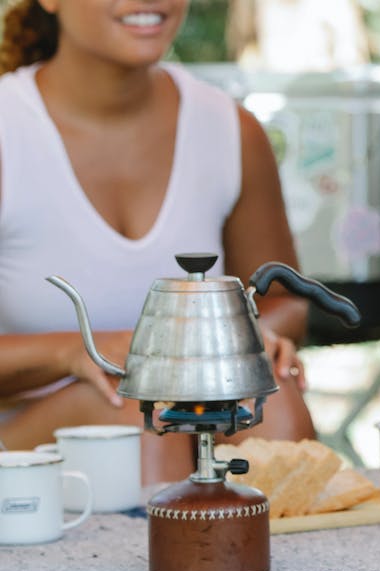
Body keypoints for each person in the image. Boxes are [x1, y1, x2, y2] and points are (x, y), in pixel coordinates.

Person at [0, 0, 316, 486]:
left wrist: (242, 342)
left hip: (183, 420)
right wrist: (77, 352)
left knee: (269, 404)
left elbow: (286, 300)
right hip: (23, 448)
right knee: (134, 418)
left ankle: (291, 562)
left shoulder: (231, 129)